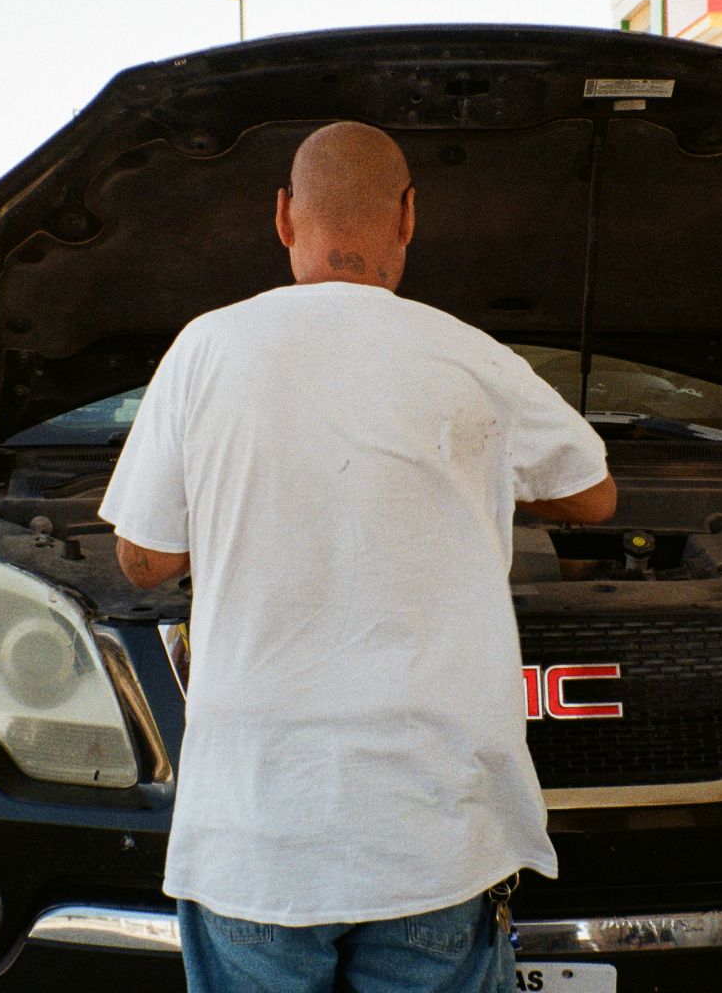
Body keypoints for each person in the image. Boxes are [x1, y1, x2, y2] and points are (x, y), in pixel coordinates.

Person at [98, 121, 617, 992]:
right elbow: (594, 497)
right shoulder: (468, 356)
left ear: (281, 217)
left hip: (259, 834)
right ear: (410, 218)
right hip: (431, 833)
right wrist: (470, 466)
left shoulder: (207, 348)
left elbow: (145, 559)